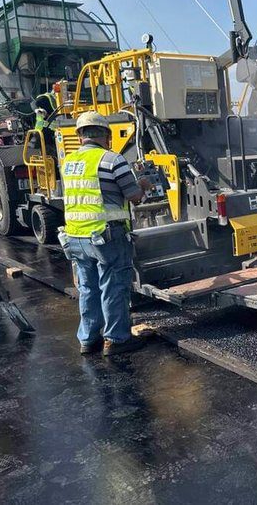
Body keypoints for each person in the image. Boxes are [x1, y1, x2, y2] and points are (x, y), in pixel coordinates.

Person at [60, 111, 150, 356]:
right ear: (107, 136)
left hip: (76, 236)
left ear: (80, 136)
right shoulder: (112, 159)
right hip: (106, 237)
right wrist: (143, 185)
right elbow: (133, 197)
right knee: (113, 286)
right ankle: (117, 339)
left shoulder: (68, 163)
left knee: (88, 288)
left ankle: (88, 339)